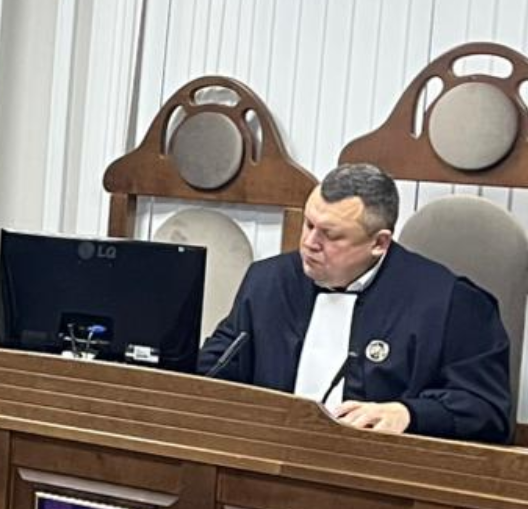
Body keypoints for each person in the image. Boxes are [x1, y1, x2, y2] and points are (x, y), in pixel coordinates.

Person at [198, 162, 514, 442]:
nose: (309, 243)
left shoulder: (451, 303)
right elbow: (214, 370)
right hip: (266, 460)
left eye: (330, 235)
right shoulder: (268, 282)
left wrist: (409, 414)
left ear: (379, 243)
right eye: (309, 225)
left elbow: (486, 409)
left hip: (383, 474)